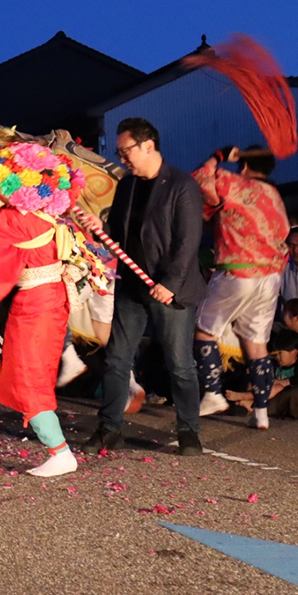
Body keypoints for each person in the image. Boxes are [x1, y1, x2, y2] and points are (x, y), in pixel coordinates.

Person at [0, 143, 100, 477]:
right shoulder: (41, 216)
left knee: (31, 380)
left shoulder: (26, 222)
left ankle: (60, 452)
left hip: (38, 305)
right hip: (28, 297)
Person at [87, 118, 205, 456]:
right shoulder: (127, 185)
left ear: (148, 145)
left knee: (180, 364)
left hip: (171, 290)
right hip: (132, 287)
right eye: (120, 152)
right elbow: (122, 234)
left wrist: (170, 283)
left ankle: (188, 430)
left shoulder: (182, 185)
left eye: (126, 151)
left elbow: (187, 242)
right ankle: (109, 427)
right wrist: (102, 228)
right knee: (117, 359)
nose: (122, 158)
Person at [191, 145, 289, 430]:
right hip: (270, 277)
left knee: (204, 330)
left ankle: (212, 393)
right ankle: (261, 412)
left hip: (238, 271)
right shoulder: (275, 196)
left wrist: (219, 156)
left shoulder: (236, 183)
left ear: (244, 166)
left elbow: (199, 179)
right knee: (256, 345)